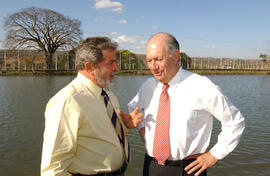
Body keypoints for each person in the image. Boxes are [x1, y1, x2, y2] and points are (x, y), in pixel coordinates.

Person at [127, 32, 245, 176]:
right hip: (151, 166)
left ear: (175, 56)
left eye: (158, 59)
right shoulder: (148, 86)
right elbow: (133, 107)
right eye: (149, 60)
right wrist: (142, 128)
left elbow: (235, 121)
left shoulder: (202, 86)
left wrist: (214, 155)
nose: (153, 67)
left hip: (188, 169)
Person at [41, 36, 142, 176]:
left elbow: (103, 133)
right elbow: (53, 169)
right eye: (111, 63)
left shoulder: (107, 94)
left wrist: (125, 125)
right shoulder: (67, 101)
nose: (117, 68)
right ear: (89, 67)